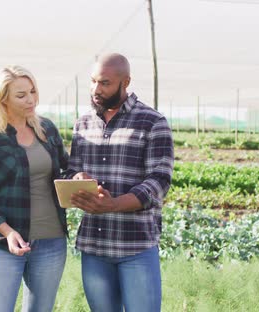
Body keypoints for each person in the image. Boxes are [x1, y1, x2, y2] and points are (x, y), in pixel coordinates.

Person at [68, 53, 174, 312]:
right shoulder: (83, 125)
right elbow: (71, 170)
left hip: (135, 244)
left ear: (125, 82)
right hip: (95, 244)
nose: (96, 89)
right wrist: (76, 179)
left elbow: (159, 181)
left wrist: (114, 204)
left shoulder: (152, 122)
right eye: (93, 81)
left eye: (104, 83)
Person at [0, 65, 71, 312]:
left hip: (50, 241)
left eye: (33, 92)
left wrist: (78, 180)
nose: (31, 100)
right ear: (3, 98)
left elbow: (65, 170)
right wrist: (8, 232)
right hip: (3, 243)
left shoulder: (46, 129)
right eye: (21, 95)